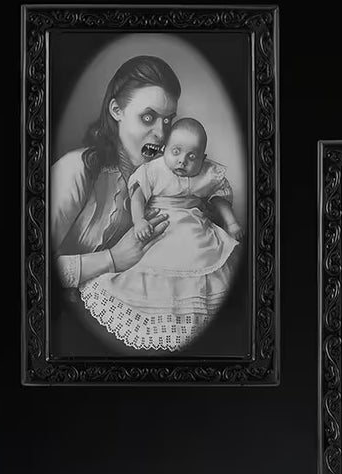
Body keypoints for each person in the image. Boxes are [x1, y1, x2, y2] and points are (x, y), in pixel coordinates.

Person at [48, 55, 181, 351]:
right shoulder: (77, 170)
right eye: (148, 117)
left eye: (168, 120)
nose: (161, 133)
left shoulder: (161, 182)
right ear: (116, 110)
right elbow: (31, 269)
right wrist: (112, 259)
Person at [79, 115, 242, 351]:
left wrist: (232, 223)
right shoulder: (153, 170)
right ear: (164, 148)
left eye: (192, 156)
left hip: (195, 230)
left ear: (203, 158)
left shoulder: (207, 173)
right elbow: (138, 196)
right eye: (176, 151)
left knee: (202, 266)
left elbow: (219, 199)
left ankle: (191, 321)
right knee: (154, 268)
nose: (182, 161)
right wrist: (139, 221)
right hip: (160, 225)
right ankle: (158, 317)